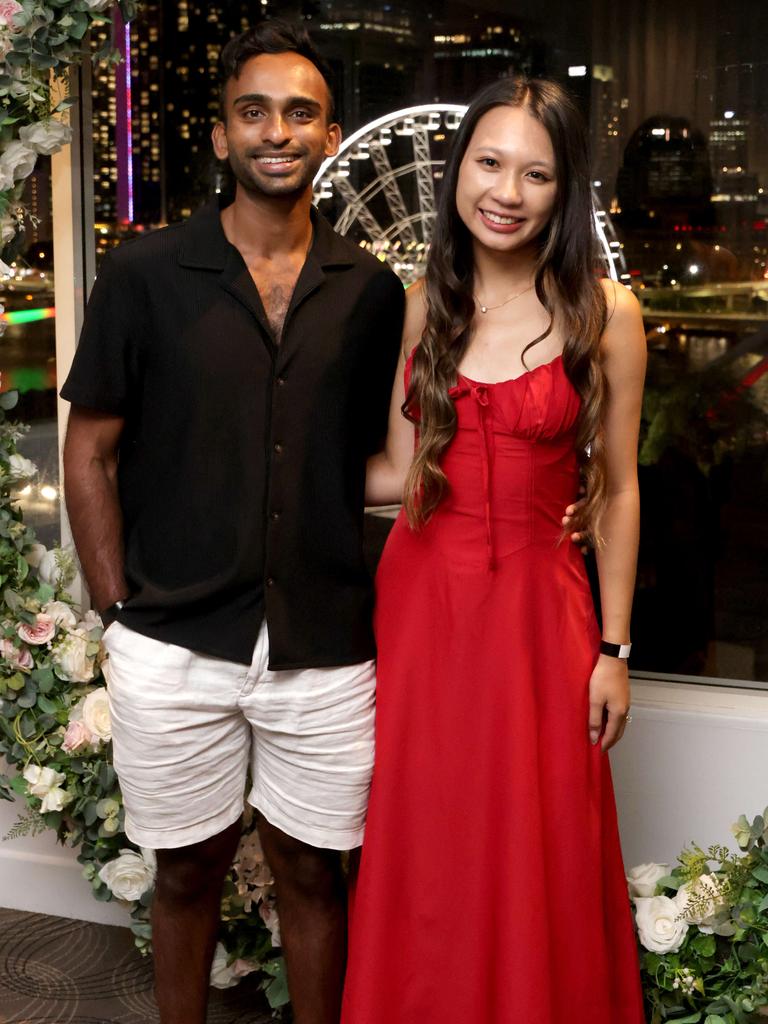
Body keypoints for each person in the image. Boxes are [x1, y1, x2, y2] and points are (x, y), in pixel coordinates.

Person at [60, 21, 405, 1024]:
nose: (276, 130)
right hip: (172, 637)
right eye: (254, 110)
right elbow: (87, 450)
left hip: (325, 643)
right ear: (220, 136)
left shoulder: (370, 289)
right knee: (184, 870)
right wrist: (117, 608)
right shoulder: (144, 274)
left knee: (312, 872)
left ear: (330, 132)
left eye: (300, 111)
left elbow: (380, 457)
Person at [341, 77, 647, 1023]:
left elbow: (622, 491)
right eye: (489, 163)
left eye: (537, 173)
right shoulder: (422, 302)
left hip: (539, 623)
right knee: (430, 843)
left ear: (566, 192)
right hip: (423, 612)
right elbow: (398, 475)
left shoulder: (608, 312)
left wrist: (614, 650)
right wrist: (251, 467)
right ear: (459, 172)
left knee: (537, 841)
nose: (507, 191)